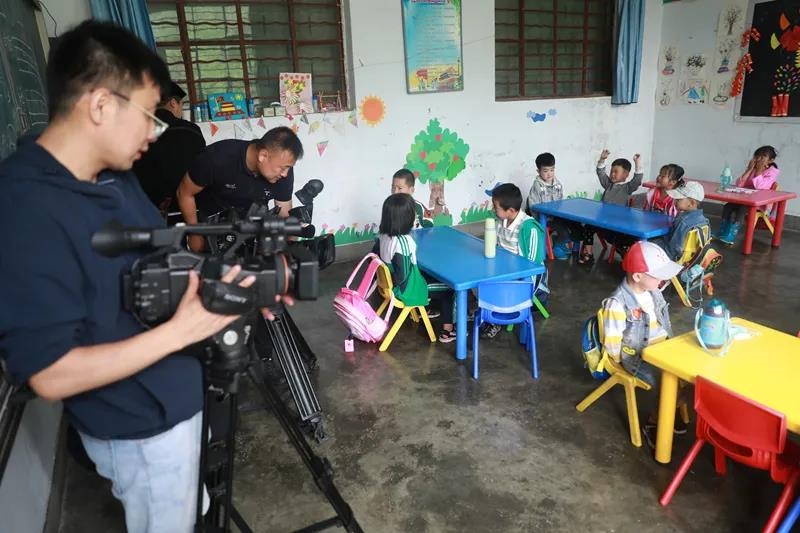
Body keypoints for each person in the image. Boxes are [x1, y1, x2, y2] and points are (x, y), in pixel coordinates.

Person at [0, 21, 284, 533]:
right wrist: (181, 332)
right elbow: (50, 373)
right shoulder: (24, 205)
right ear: (101, 105)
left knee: (195, 513)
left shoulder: (113, 176)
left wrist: (233, 281)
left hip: (179, 400)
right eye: (149, 115)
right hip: (141, 431)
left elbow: (161, 260)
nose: (155, 133)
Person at [599, 240, 687, 449]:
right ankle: (655, 422)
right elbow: (612, 340)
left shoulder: (653, 290)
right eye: (658, 276)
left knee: (687, 372)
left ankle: (671, 407)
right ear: (638, 276)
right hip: (637, 357)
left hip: (662, 348)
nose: (663, 280)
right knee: (665, 382)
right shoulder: (617, 304)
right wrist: (620, 361)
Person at [177, 126, 303, 252]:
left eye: (288, 168)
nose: (285, 174)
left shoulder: (282, 173)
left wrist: (290, 247)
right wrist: (194, 233)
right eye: (283, 168)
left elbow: (284, 212)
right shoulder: (217, 158)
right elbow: (184, 193)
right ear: (263, 155)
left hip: (253, 234)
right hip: (212, 229)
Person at [376, 194, 456, 343]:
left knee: (429, 275)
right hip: (405, 291)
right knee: (450, 288)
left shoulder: (383, 236)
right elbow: (405, 276)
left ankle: (429, 308)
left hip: (389, 285)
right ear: (406, 219)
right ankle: (448, 329)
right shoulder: (404, 242)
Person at [132, 81, 206, 221]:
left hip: (147, 211)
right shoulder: (191, 130)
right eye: (181, 105)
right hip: (189, 210)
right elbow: (202, 167)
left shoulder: (137, 132)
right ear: (173, 103)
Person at [483, 183, 548, 339]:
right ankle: (486, 311)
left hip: (525, 279)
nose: (493, 209)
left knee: (492, 286)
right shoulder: (501, 222)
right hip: (504, 271)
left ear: (511, 210)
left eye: (496, 207)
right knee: (478, 278)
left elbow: (532, 267)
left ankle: (494, 319)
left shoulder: (529, 228)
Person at [715, 145, 780, 245]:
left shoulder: (772, 172)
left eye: (763, 156)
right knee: (728, 206)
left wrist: (758, 171)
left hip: (759, 203)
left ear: (771, 160)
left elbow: (760, 186)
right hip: (745, 199)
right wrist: (749, 170)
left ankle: (731, 235)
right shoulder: (753, 168)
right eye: (757, 156)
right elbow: (739, 184)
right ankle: (722, 231)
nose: (759, 158)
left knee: (742, 209)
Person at [652, 181, 709, 261]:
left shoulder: (682, 222)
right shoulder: (705, 221)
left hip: (675, 260)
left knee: (645, 242)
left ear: (691, 203)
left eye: (678, 200)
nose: (674, 201)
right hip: (693, 259)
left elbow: (673, 250)